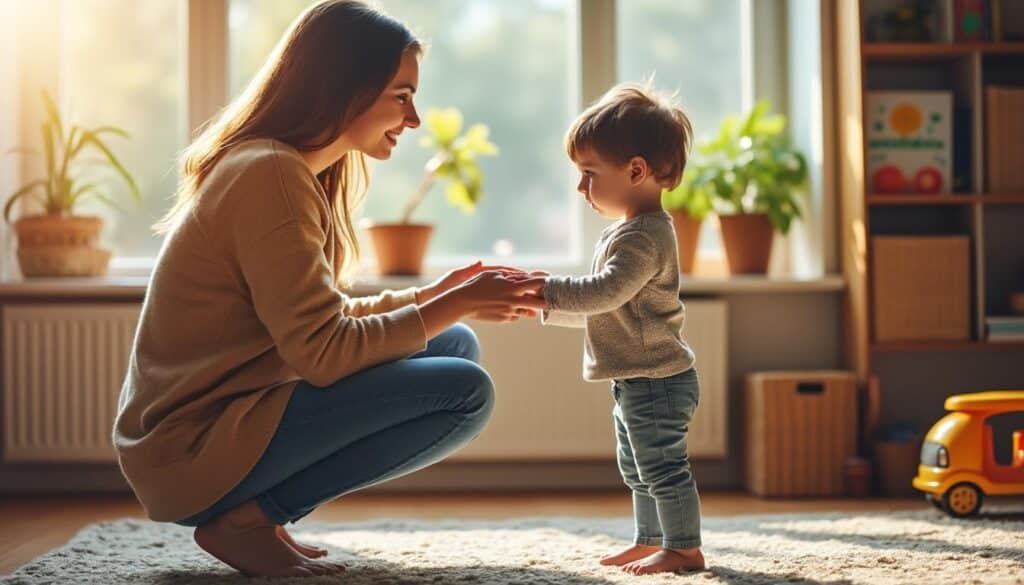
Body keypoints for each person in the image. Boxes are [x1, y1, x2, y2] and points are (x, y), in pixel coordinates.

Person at [113, 0, 545, 577]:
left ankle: (254, 517)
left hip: (222, 425)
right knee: (466, 389)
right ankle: (250, 518)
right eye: (401, 95)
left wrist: (434, 297)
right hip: (192, 450)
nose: (413, 119)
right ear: (345, 88)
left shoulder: (282, 168)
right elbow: (321, 354)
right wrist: (453, 300)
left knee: (455, 344)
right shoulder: (270, 174)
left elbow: (323, 321)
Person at [537, 82, 705, 575]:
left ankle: (683, 547)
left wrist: (546, 289)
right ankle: (651, 537)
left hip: (657, 381)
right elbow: (605, 310)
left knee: (661, 467)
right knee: (637, 468)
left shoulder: (644, 238)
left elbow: (602, 292)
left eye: (588, 174)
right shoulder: (629, 232)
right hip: (638, 379)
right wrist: (541, 306)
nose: (580, 187)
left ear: (636, 170)